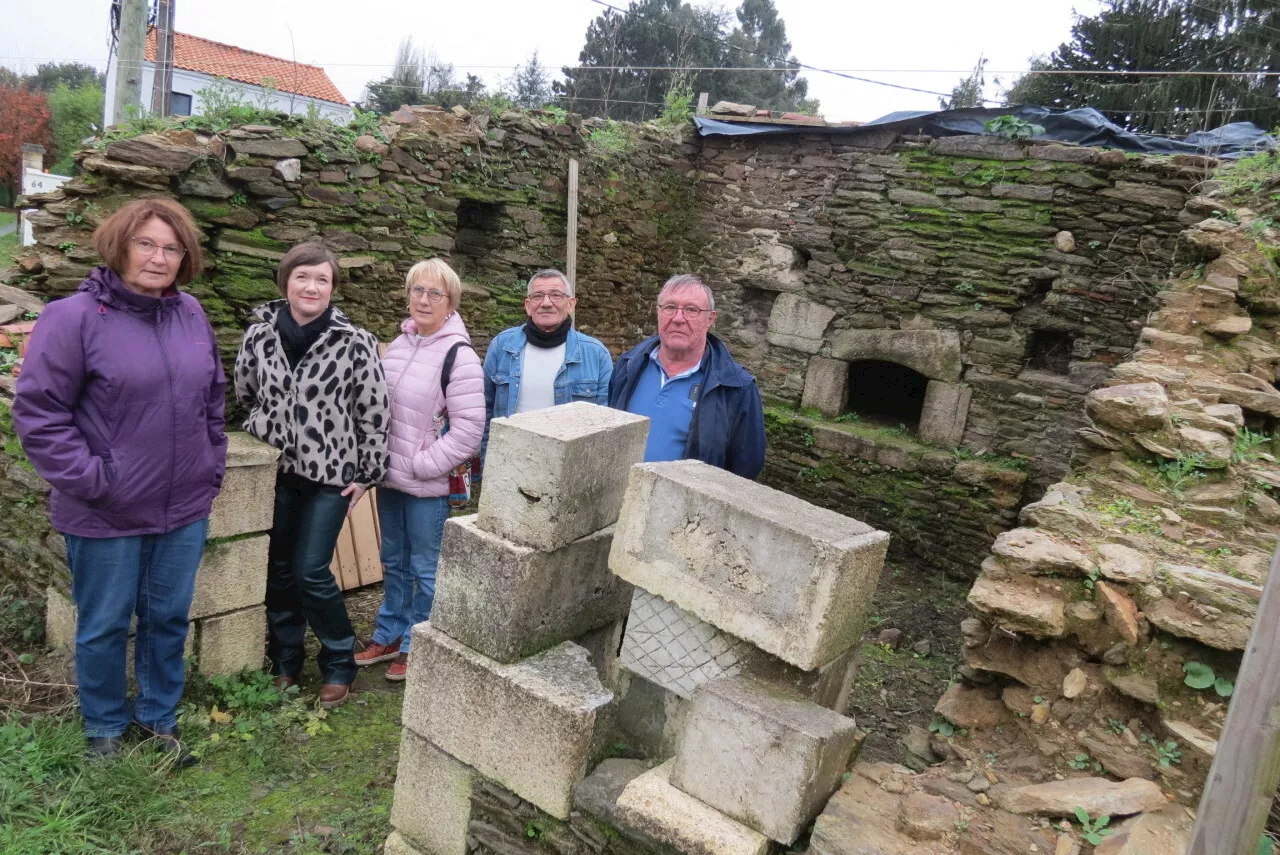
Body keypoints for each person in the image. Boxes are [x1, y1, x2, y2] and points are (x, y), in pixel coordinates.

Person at [14, 198, 227, 761]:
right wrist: (94, 480)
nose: (159, 258)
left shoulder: (190, 314)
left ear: (185, 257)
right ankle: (104, 729)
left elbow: (212, 399)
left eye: (171, 248)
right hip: (103, 508)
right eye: (146, 244)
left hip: (182, 506)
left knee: (167, 619)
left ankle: (159, 721)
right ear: (119, 245)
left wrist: (211, 465)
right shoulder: (73, 318)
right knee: (105, 624)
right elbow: (39, 413)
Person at [233, 243, 389, 709]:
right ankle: (285, 659)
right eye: (303, 277)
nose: (312, 287)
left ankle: (339, 660)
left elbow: (374, 412)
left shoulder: (354, 341)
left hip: (332, 475)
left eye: (322, 279)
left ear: (332, 289)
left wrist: (367, 473)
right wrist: (267, 428)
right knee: (279, 570)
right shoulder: (258, 336)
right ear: (286, 281)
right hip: (277, 471)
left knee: (310, 571)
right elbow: (245, 391)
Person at [354, 259, 483, 680]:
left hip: (425, 483)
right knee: (393, 560)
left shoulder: (459, 356)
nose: (424, 300)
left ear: (451, 303)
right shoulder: (399, 346)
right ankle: (390, 632)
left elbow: (468, 431)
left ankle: (417, 641)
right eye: (417, 290)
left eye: (435, 293)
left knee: (426, 567)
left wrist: (422, 464)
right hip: (389, 478)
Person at [608, 274, 766, 479]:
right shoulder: (628, 366)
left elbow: (746, 467)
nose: (678, 318)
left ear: (710, 318)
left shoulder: (737, 388)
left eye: (691, 310)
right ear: (658, 312)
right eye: (670, 307)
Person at [482, 268, 612, 447]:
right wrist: (485, 467)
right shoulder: (502, 346)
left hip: (569, 468)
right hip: (509, 462)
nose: (546, 303)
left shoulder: (596, 354)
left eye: (556, 295)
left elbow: (605, 424)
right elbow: (484, 412)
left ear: (571, 304)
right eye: (538, 296)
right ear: (528, 305)